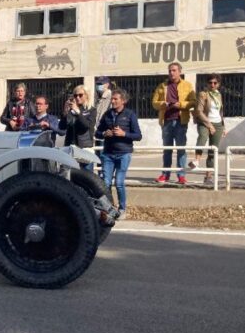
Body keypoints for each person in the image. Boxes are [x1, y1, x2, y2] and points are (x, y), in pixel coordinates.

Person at [96, 89, 142, 220]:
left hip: (123, 153)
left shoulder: (130, 114)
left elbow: (138, 135)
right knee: (106, 182)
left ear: (123, 101)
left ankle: (122, 209)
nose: (113, 101)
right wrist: (104, 133)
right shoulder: (107, 114)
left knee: (119, 182)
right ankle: (108, 207)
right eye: (112, 99)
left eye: (116, 99)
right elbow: (97, 133)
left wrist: (124, 134)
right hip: (108, 154)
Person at [152, 62, 196, 185]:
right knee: (167, 149)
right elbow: (154, 103)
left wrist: (181, 104)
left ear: (180, 72)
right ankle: (165, 175)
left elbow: (193, 102)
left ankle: (181, 176)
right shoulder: (162, 86)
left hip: (180, 121)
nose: (171, 73)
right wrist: (162, 104)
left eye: (174, 70)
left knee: (181, 149)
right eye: (170, 70)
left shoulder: (187, 85)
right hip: (166, 121)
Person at [189, 74, 226, 185]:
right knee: (203, 136)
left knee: (212, 151)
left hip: (218, 124)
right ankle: (196, 160)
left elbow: (220, 111)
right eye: (210, 82)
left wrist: (223, 126)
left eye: (215, 83)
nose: (212, 85)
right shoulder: (203, 94)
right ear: (207, 83)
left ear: (218, 84)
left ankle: (208, 177)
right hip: (205, 122)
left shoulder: (219, 95)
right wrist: (209, 125)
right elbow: (199, 111)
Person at [59, 85, 96, 169]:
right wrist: (65, 113)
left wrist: (78, 113)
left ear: (86, 95)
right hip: (70, 147)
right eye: (75, 95)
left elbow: (86, 126)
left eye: (80, 95)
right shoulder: (70, 110)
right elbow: (62, 127)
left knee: (86, 177)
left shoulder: (91, 110)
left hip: (84, 147)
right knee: (70, 176)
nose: (77, 97)